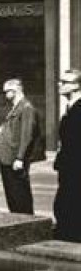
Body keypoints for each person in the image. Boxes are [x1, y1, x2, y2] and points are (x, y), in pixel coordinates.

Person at [0, 78, 43, 215]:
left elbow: (26, 135)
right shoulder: (16, 107)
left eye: (7, 92)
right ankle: (17, 220)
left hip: (14, 159)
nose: (5, 95)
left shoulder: (26, 108)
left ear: (15, 90)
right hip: (8, 158)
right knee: (12, 194)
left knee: (20, 194)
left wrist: (20, 157)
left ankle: (26, 222)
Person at [53, 70, 81, 242]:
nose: (60, 85)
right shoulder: (70, 109)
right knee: (65, 205)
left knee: (68, 205)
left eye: (64, 82)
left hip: (75, 169)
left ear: (76, 86)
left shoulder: (78, 110)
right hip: (68, 168)